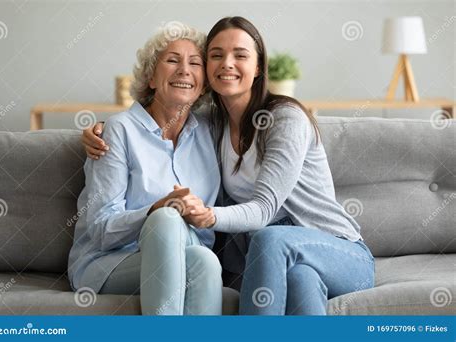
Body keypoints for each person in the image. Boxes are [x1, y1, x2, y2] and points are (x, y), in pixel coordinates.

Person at [82, 16, 375, 315]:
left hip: (338, 250)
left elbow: (263, 210)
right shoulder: (212, 125)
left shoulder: (286, 119)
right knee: (300, 279)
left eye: (241, 55)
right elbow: (160, 117)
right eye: (217, 55)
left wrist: (208, 216)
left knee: (270, 238)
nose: (227, 63)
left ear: (258, 66)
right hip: (287, 262)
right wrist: (108, 128)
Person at [68, 23, 223, 315]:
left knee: (205, 261)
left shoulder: (212, 133)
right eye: (173, 60)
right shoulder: (119, 131)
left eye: (195, 63)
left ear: (204, 82)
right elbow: (101, 229)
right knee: (166, 219)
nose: (184, 70)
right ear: (151, 77)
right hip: (110, 261)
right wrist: (155, 210)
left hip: (188, 251)